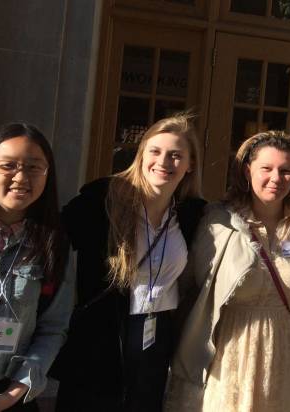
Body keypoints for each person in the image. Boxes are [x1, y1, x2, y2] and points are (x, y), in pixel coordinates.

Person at [165, 131, 290, 412]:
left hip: (283, 353)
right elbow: (191, 289)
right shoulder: (219, 224)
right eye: (266, 168)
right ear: (247, 171)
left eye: (285, 171)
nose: (276, 178)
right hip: (229, 354)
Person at [53, 114, 206, 412]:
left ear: (190, 165)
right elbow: (50, 238)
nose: (164, 162)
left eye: (176, 155)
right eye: (155, 151)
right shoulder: (102, 200)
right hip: (101, 336)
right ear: (141, 156)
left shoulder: (192, 214)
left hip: (156, 337)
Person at [0, 123, 72, 411]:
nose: (21, 177)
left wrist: (14, 393)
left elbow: (53, 329)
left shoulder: (54, 245)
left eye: (34, 167)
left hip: (8, 393)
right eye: (8, 165)